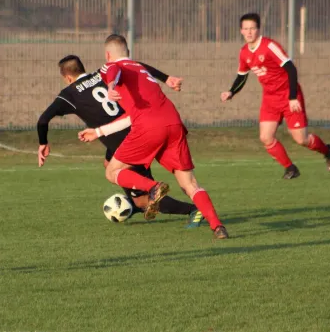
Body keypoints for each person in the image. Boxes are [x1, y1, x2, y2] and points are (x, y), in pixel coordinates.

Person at [78, 34, 228, 239]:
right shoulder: (139, 69)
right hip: (174, 122)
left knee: (112, 171)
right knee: (190, 184)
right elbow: (132, 116)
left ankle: (153, 187)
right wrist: (98, 132)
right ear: (128, 53)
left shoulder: (109, 66)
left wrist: (111, 86)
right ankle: (217, 226)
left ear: (107, 54)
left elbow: (113, 69)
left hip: (149, 127)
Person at [37, 55, 203, 227]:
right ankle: (136, 200)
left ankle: (193, 210)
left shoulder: (69, 94)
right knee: (107, 163)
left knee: (144, 199)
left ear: (67, 77)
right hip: (134, 129)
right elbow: (136, 65)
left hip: (128, 143)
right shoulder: (102, 74)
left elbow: (43, 120)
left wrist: (43, 143)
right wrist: (166, 78)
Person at [221, 13, 330, 179]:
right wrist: (231, 91)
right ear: (241, 31)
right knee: (265, 137)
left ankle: (327, 150)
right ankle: (290, 168)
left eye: (252, 28)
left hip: (289, 94)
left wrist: (293, 97)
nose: (249, 32)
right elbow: (242, 76)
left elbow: (291, 68)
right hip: (270, 98)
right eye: (246, 29)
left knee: (301, 139)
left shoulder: (269, 46)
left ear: (258, 29)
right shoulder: (244, 52)